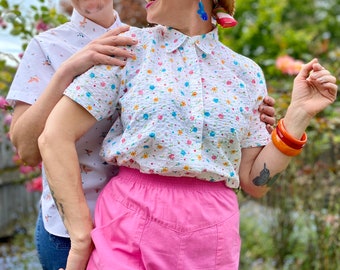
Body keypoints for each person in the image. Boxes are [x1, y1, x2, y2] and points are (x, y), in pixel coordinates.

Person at [38, 0, 337, 269]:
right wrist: (80, 235)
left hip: (212, 236)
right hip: (129, 228)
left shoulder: (246, 73)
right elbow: (53, 136)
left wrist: (299, 114)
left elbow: (254, 181)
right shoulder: (129, 50)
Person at [6, 1, 138, 269]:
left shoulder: (146, 45)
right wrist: (67, 71)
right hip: (68, 235)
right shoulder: (46, 47)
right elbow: (27, 151)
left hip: (135, 228)